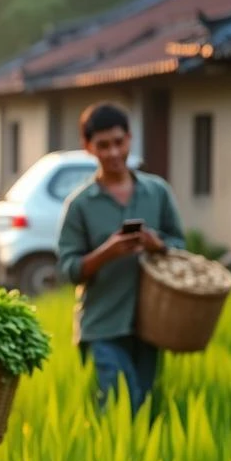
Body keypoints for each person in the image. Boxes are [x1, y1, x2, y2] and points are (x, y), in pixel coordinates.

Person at [57, 101, 186, 414]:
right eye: (103, 145)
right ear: (88, 147)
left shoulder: (157, 192)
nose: (114, 152)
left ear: (130, 138)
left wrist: (157, 245)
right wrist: (106, 253)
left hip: (151, 324)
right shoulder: (80, 204)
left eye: (119, 142)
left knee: (143, 409)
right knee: (117, 408)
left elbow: (180, 248)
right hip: (103, 325)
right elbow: (69, 269)